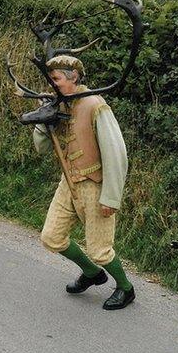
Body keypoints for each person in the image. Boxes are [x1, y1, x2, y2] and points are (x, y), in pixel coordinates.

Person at [33, 55, 134, 310]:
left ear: (74, 77)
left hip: (95, 184)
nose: (52, 85)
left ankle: (125, 288)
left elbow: (116, 153)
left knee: (100, 249)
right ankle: (92, 273)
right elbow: (42, 148)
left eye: (55, 79)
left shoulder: (94, 104)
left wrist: (111, 197)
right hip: (68, 182)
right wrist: (44, 120)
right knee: (51, 237)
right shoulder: (61, 104)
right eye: (50, 80)